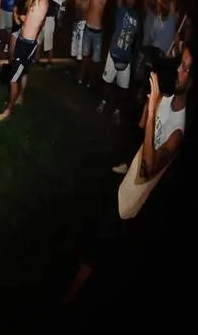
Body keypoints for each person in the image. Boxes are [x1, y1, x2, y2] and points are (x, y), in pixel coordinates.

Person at [65, 42, 191, 303]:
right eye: (180, 64)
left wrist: (154, 106)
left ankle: (68, 301)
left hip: (130, 204)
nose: (179, 70)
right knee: (94, 233)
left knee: (98, 254)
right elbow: (143, 124)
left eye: (185, 69)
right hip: (125, 184)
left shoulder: (178, 133)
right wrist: (151, 102)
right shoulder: (168, 97)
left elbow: (148, 167)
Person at [0, 0, 49, 122]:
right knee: (22, 72)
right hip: (24, 41)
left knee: (13, 79)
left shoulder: (43, 0)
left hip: (26, 45)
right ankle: (19, 99)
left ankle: (9, 110)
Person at [97, 0, 140, 125]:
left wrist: (133, 57)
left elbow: (136, 40)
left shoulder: (136, 17)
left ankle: (116, 111)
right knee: (106, 82)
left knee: (123, 89)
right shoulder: (121, 10)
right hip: (113, 53)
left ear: (135, 0)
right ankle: (102, 103)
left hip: (126, 59)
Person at [72, 0, 116, 87]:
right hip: (88, 28)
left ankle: (91, 81)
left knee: (96, 60)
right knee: (85, 56)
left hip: (98, 32)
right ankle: (80, 77)